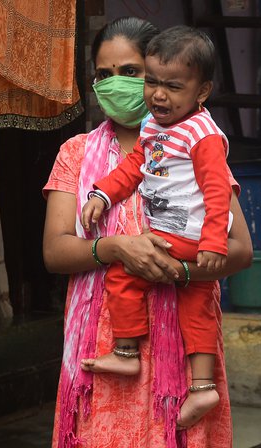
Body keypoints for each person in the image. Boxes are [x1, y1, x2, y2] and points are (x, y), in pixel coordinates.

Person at [43, 17, 252, 448]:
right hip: (106, 343)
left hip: (185, 343)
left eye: (130, 73)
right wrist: (117, 247)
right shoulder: (76, 154)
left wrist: (179, 270)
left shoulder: (193, 146)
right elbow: (56, 251)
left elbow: (240, 249)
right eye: (104, 75)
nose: (118, 84)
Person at [80, 24, 230, 427]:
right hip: (184, 241)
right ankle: (203, 388)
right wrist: (102, 195)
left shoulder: (202, 134)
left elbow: (217, 192)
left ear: (202, 92)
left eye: (173, 86)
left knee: (123, 276)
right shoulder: (155, 128)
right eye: (152, 82)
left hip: (185, 236)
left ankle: (127, 352)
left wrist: (213, 243)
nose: (158, 94)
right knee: (197, 310)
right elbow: (134, 168)